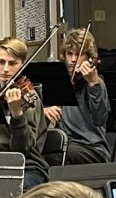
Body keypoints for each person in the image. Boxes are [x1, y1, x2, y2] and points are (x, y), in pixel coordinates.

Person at [0, 37, 48, 190]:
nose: (5, 69)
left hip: (26, 167)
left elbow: (23, 149)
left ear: (22, 65)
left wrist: (17, 114)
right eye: (1, 62)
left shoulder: (30, 97)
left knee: (13, 193)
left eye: (12, 63)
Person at [43, 27, 110, 164]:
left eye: (79, 54)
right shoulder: (61, 81)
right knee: (37, 153)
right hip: (65, 142)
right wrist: (45, 110)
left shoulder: (97, 83)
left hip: (91, 148)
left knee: (54, 158)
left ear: (88, 57)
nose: (73, 60)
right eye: (69, 54)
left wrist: (93, 84)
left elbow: (99, 119)